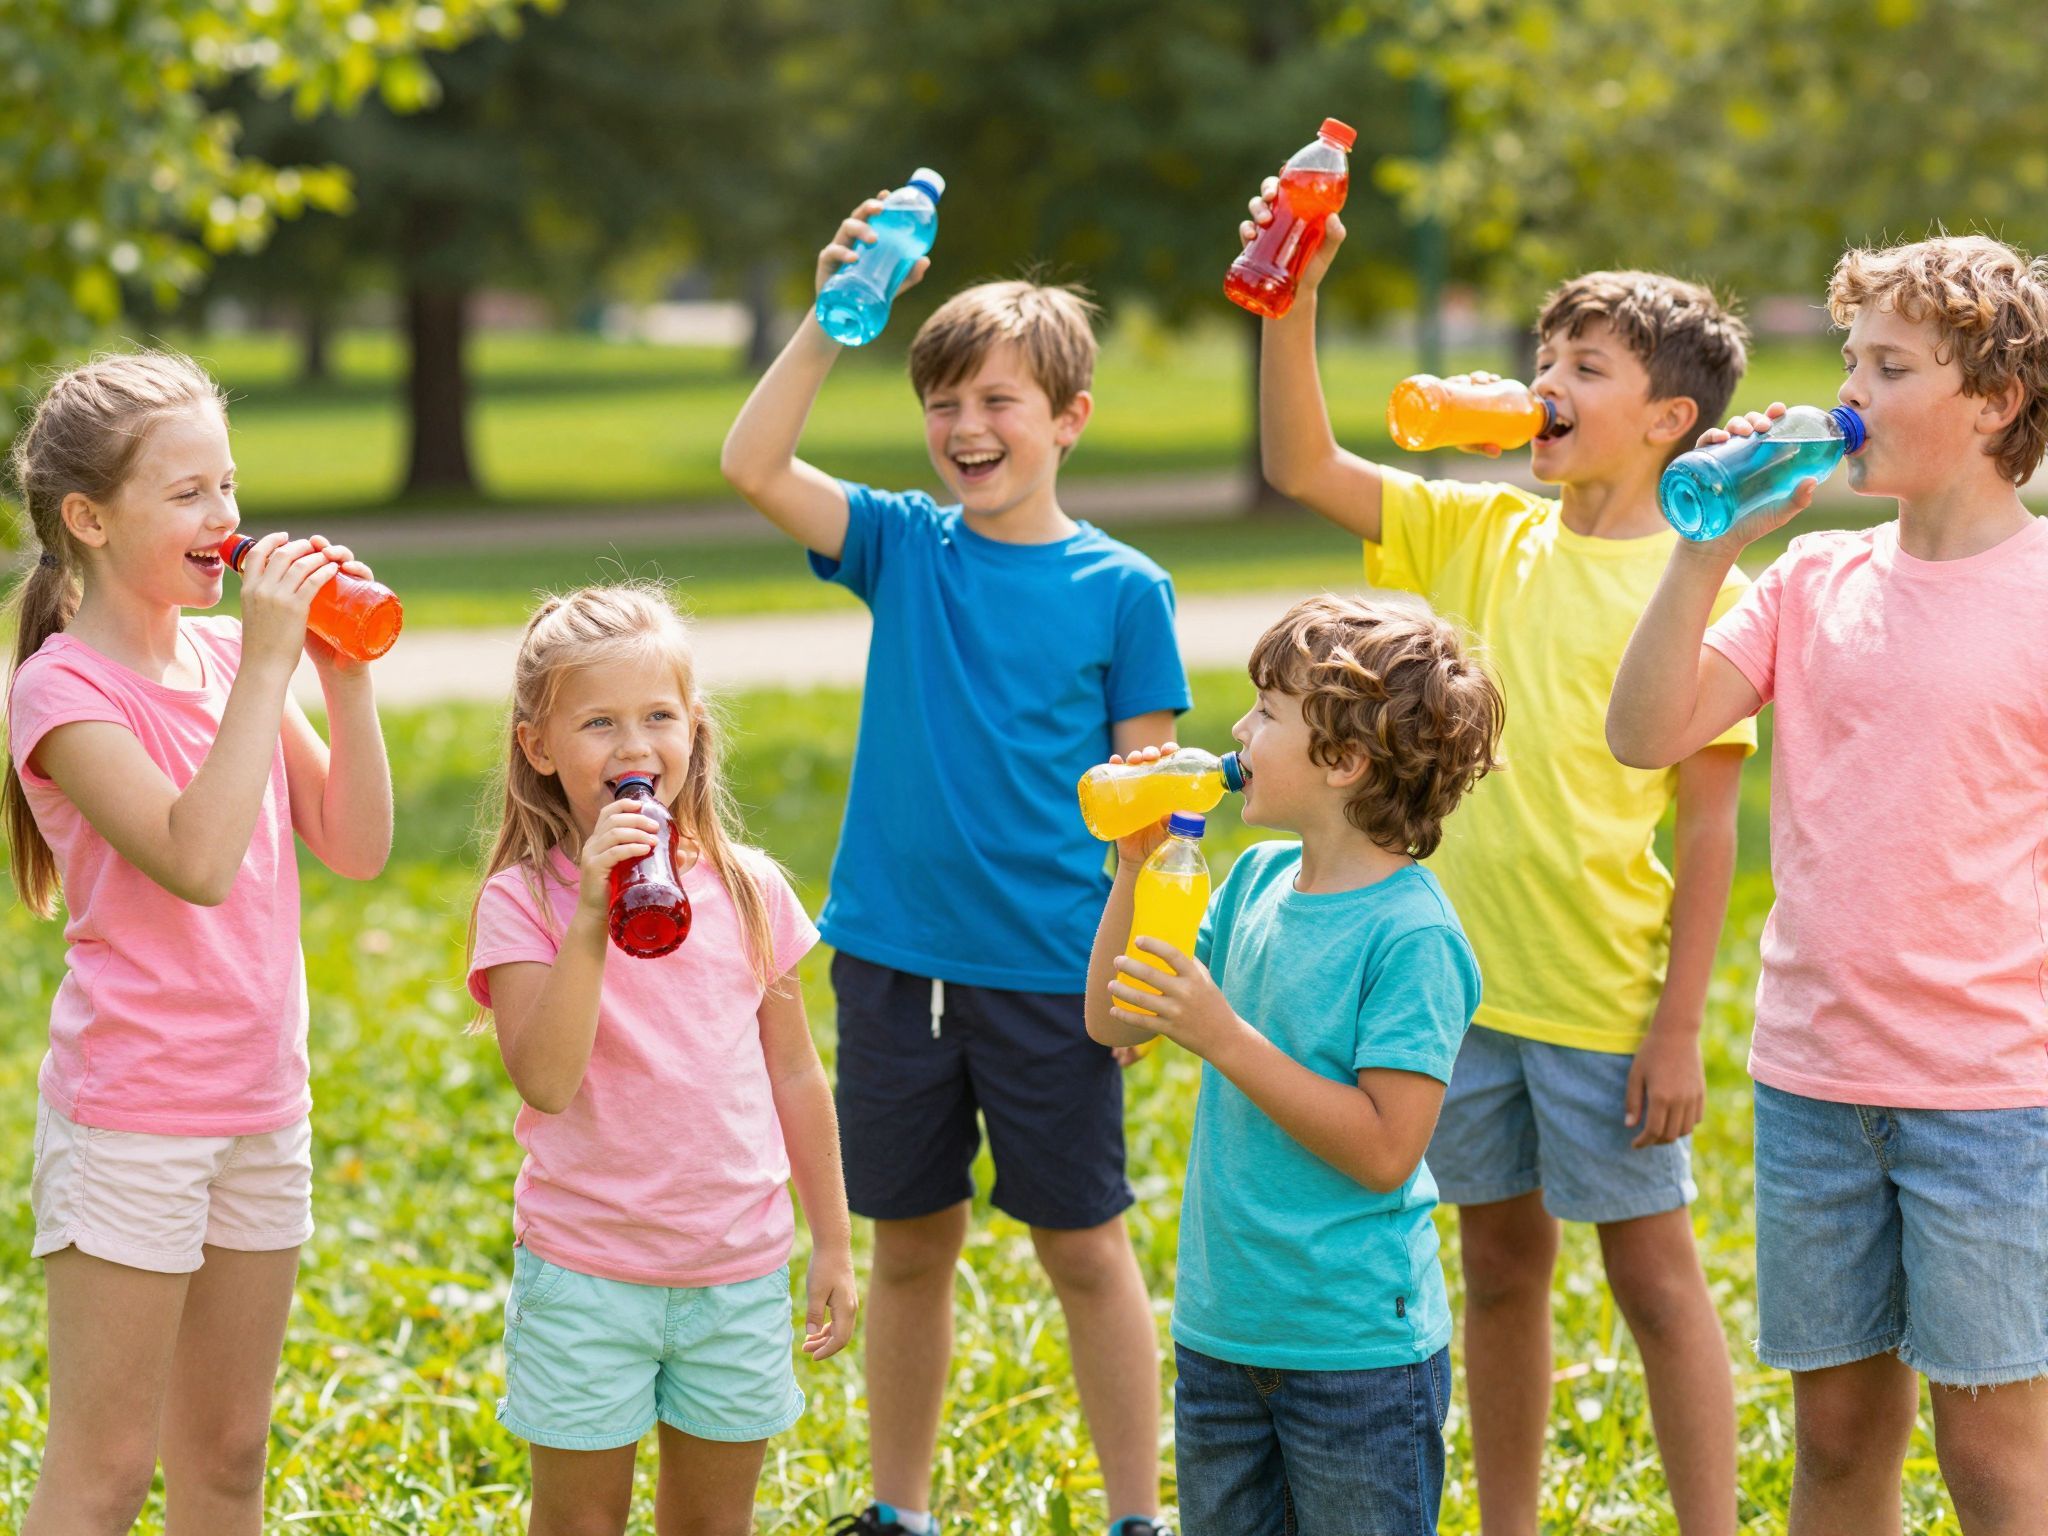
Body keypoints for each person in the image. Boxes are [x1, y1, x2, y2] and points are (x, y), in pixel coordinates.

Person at [4, 349, 393, 1535]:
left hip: (260, 1104)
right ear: (90, 518)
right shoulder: (61, 695)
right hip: (134, 1120)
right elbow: (197, 858)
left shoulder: (227, 655)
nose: (225, 521)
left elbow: (356, 843)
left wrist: (344, 681)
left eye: (227, 487)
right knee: (108, 1469)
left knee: (228, 1455)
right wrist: (270, 662)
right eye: (186, 495)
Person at [467, 583, 857, 1536]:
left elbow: (797, 1074)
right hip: (588, 1273)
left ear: (694, 730)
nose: (634, 748)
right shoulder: (524, 903)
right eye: (598, 722)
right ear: (540, 747)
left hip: (737, 1270)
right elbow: (547, 1080)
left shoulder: (748, 887)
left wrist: (834, 1241)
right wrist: (595, 909)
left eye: (658, 717)